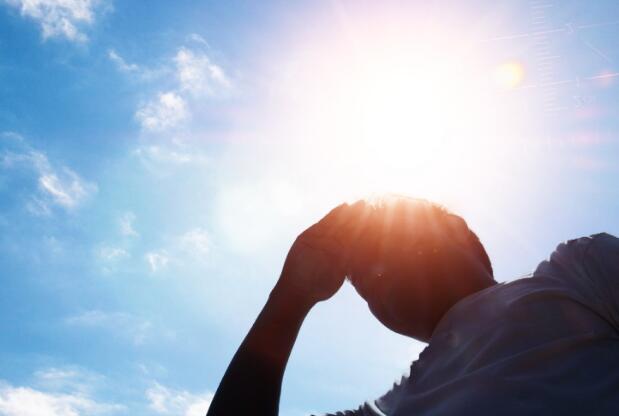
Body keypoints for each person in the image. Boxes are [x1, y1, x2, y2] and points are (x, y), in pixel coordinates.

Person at [206, 195, 619, 415]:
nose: (378, 273)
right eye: (363, 278)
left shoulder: (577, 271)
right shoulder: (390, 410)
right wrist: (289, 299)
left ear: (458, 233)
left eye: (400, 243)